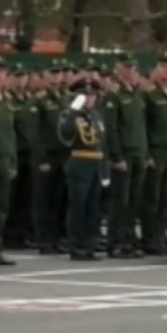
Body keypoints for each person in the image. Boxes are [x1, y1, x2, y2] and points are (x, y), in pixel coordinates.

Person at [60, 77, 112, 261]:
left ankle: (90, 245)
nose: (89, 99)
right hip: (79, 164)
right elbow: (65, 135)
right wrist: (73, 109)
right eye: (84, 95)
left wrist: (105, 170)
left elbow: (103, 145)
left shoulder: (97, 116)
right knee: (78, 208)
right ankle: (77, 246)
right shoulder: (70, 115)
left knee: (93, 209)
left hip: (96, 166)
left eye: (92, 95)